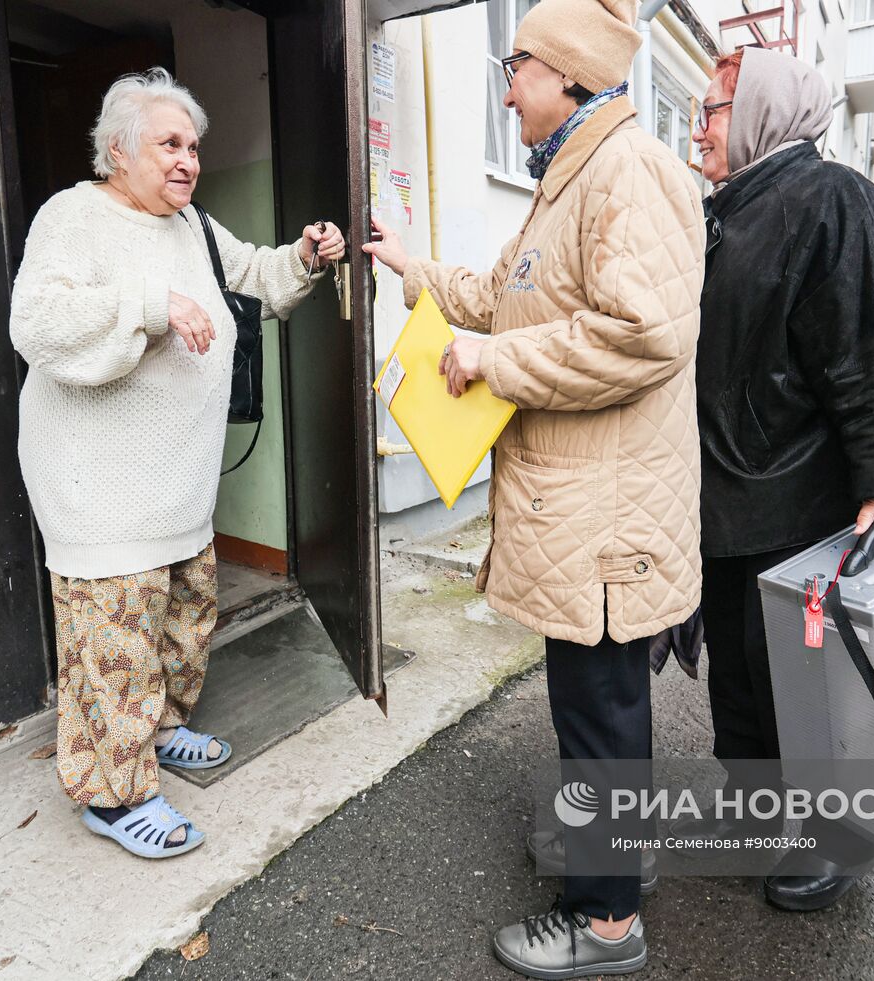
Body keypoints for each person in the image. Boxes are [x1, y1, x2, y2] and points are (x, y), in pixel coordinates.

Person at [364, 0, 703, 974]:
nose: (503, 82)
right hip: (578, 507)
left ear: (564, 74)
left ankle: (604, 924)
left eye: (516, 63)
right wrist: (411, 269)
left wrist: (492, 363)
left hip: (603, 514)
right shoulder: (575, 177)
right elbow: (514, 300)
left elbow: (640, 336)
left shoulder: (626, 173)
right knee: (588, 704)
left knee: (600, 711)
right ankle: (604, 866)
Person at [9, 68, 346, 858]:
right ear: (120, 150)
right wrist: (151, 308)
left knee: (184, 616)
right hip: (99, 487)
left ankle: (160, 729)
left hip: (178, 486)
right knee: (116, 642)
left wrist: (302, 254)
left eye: (193, 146)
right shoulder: (74, 218)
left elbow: (256, 277)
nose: (187, 160)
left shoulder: (191, 223)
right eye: (169, 144)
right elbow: (38, 323)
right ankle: (115, 795)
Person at [685, 48, 874, 910]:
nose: (698, 124)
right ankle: (758, 806)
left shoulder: (833, 198)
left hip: (802, 502)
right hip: (731, 499)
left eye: (715, 108)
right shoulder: (728, 214)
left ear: (762, 112)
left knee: (807, 687)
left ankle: (833, 836)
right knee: (739, 677)